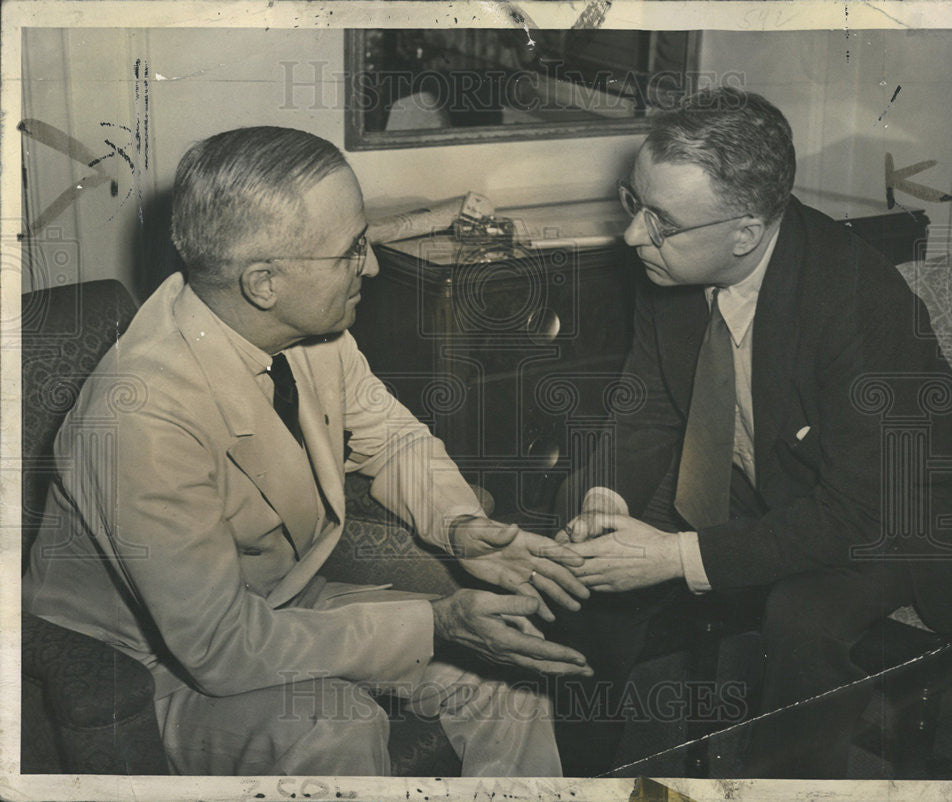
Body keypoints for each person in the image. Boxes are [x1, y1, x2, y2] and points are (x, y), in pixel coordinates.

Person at [21, 125, 595, 777]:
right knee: (333, 724)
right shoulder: (141, 417)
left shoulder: (305, 332)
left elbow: (393, 440)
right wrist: (436, 623)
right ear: (265, 281)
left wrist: (462, 527)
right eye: (352, 251)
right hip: (149, 674)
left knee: (506, 682)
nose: (372, 266)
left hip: (280, 607)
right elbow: (220, 648)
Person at [555, 87, 952, 777]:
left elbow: (858, 510)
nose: (633, 236)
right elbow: (647, 408)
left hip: (909, 511)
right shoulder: (676, 262)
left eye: (660, 221)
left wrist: (674, 557)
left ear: (745, 232)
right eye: (636, 203)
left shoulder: (854, 298)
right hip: (773, 483)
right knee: (582, 566)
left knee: (801, 617)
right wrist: (605, 499)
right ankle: (574, 777)